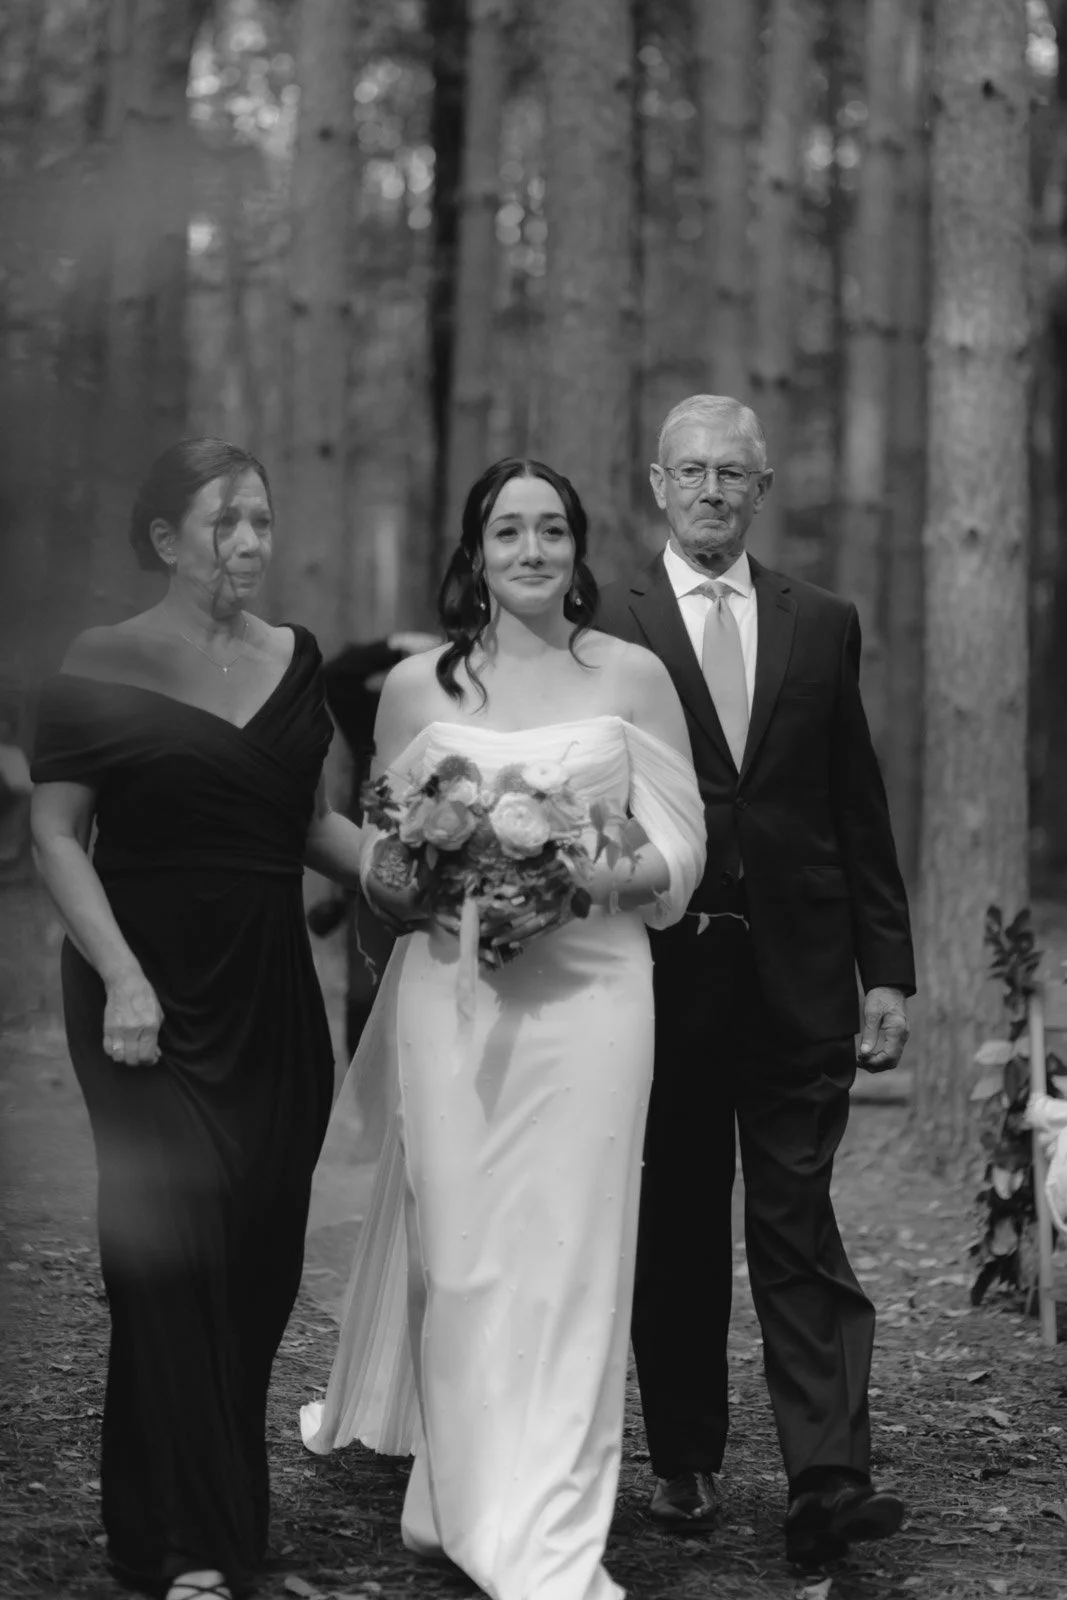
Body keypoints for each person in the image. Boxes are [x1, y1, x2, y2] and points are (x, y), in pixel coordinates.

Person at [300, 457, 706, 1600]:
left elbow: (683, 854)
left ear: (578, 549)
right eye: (507, 532)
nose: (531, 551)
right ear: (473, 553)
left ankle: (547, 1538)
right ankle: (459, 1496)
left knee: (576, 1260)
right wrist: (433, 878)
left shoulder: (629, 676)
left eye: (551, 532)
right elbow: (386, 864)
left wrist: (591, 869)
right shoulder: (414, 690)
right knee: (467, 1257)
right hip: (453, 996)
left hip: (595, 998)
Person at [30, 439, 368, 1600]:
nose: (247, 544)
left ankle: (179, 1523)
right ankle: (194, 1549)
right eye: (224, 522)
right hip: (144, 995)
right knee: (164, 1259)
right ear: (169, 539)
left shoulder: (298, 659)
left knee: (259, 1259)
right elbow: (56, 835)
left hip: (269, 993)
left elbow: (313, 828)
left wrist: (425, 874)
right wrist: (121, 975)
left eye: (261, 523)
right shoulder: (103, 658)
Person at [595, 395, 916, 1566]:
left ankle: (826, 1478)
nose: (712, 491)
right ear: (656, 483)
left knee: (796, 1224)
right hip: (659, 980)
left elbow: (854, 805)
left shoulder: (820, 621)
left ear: (761, 488)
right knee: (676, 1225)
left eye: (733, 473)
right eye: (692, 473)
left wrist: (887, 970)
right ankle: (683, 1461)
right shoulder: (610, 625)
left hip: (798, 975)